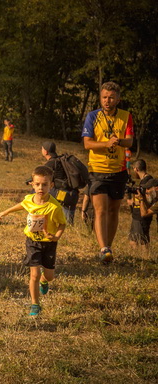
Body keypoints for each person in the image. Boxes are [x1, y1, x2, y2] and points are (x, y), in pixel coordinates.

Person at [0, 166, 66, 317]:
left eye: (45, 184)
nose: (41, 188)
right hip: (32, 242)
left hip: (49, 243)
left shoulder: (54, 207)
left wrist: (56, 237)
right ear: (32, 184)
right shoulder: (29, 199)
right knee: (33, 275)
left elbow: (62, 224)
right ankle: (35, 304)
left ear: (51, 185)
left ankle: (44, 280)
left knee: (49, 276)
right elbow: (22, 205)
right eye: (38, 184)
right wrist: (6, 211)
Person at [82, 81, 134, 263]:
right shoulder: (92, 116)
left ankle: (108, 248)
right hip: (97, 170)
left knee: (113, 210)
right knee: (101, 210)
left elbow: (129, 141)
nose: (107, 101)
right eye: (104, 97)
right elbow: (87, 143)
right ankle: (103, 248)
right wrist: (106, 143)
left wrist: (118, 141)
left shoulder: (126, 116)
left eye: (111, 98)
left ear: (118, 99)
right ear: (100, 98)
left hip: (118, 170)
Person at [41, 141, 79, 225]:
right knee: (68, 224)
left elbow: (41, 177)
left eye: (42, 149)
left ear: (46, 152)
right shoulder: (63, 160)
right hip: (73, 195)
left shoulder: (50, 164)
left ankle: (41, 220)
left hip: (62, 195)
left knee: (38, 192)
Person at [127, 159, 153, 249]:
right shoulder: (145, 180)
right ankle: (139, 256)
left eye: (133, 169)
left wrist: (133, 201)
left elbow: (148, 198)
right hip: (138, 214)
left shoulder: (147, 181)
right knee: (134, 240)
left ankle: (144, 257)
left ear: (136, 169)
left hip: (141, 215)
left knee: (141, 242)